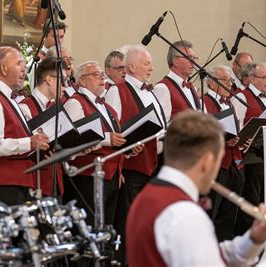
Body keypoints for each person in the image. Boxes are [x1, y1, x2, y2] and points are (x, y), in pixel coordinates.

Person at [126, 111, 266, 267]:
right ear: (207, 161)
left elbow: (208, 254)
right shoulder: (185, 215)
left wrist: (253, 240)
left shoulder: (150, 194)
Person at [105, 45, 166, 264]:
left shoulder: (150, 91)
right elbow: (112, 129)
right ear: (131, 66)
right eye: (146, 63)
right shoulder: (116, 90)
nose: (151, 67)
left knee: (147, 224)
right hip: (131, 168)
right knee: (128, 224)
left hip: (153, 165)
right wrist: (127, 148)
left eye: (150, 63)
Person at [63, 61, 133, 225]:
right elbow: (73, 138)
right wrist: (108, 139)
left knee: (105, 224)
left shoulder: (106, 106)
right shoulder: (75, 103)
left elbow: (115, 135)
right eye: (95, 75)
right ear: (81, 80)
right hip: (87, 174)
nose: (102, 78)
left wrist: (127, 149)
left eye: (102, 75)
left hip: (111, 175)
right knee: (88, 224)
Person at [0, 46, 49, 206]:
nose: (24, 68)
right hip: (1, 183)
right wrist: (29, 143)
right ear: (3, 68)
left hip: (14, 182)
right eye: (19, 63)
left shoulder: (7, 96)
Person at [231, 62, 266, 235]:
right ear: (252, 79)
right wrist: (241, 140)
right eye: (264, 77)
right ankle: (246, 242)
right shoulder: (242, 97)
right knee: (252, 205)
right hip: (252, 160)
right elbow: (235, 127)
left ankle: (264, 243)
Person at [203, 65, 245, 241]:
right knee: (213, 213)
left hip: (233, 163)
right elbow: (204, 133)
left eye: (231, 80)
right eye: (226, 80)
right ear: (212, 84)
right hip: (216, 165)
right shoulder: (204, 102)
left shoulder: (228, 102)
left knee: (229, 214)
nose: (230, 84)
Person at [19, 57, 66, 197]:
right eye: (62, 81)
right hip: (36, 183)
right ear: (49, 79)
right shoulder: (25, 107)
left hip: (55, 181)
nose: (66, 86)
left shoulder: (54, 107)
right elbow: (24, 148)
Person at [153, 40, 201, 124]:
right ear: (175, 61)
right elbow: (161, 125)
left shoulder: (191, 87)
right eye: (189, 58)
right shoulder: (162, 88)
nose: (193, 62)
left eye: (194, 58)